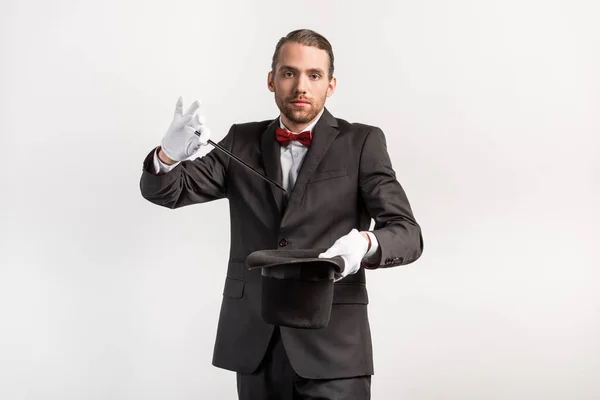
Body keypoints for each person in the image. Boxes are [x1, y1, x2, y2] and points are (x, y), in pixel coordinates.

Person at [140, 28, 423, 400]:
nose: (301, 86)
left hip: (334, 347)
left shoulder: (363, 143)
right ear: (272, 81)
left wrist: (366, 243)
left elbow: (407, 233)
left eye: (314, 75)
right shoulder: (241, 140)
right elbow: (168, 191)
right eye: (289, 73)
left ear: (331, 85)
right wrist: (168, 155)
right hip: (256, 340)